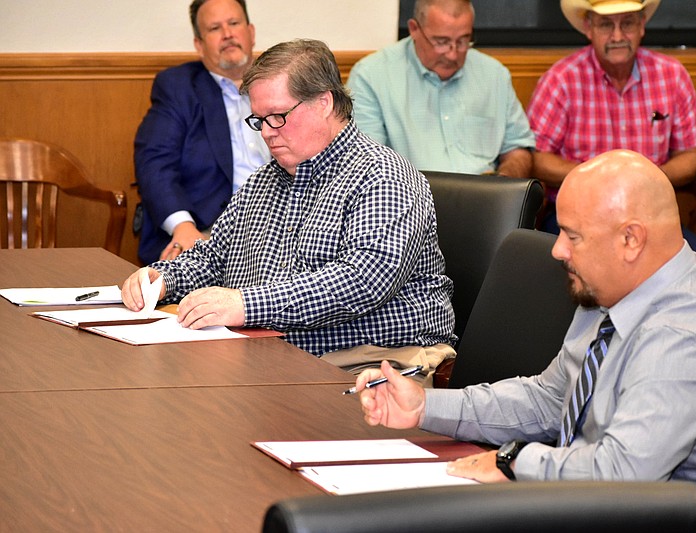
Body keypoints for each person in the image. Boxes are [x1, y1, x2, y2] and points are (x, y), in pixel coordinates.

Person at [356, 149, 696, 533]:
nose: (557, 250)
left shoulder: (686, 334)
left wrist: (512, 462)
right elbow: (548, 401)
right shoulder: (608, 291)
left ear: (630, 239)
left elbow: (623, 474)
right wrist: (426, 405)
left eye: (572, 235)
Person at [122, 39, 457, 382]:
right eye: (259, 120)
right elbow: (213, 258)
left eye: (278, 117)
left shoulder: (383, 176)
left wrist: (245, 305)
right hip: (273, 354)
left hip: (374, 363)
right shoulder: (265, 181)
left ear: (324, 103)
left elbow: (362, 282)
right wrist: (164, 279)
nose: (267, 132)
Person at [527, 0, 696, 275]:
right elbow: (537, 158)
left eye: (627, 23)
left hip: (651, 218)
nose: (617, 36)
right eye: (606, 24)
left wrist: (647, 178)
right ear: (588, 28)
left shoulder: (672, 75)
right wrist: (602, 179)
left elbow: (693, 153)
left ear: (642, 26)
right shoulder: (561, 79)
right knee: (606, 271)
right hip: (580, 219)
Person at [133, 0, 270, 265]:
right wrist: (182, 226)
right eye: (215, 28)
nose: (228, 34)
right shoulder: (178, 87)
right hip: (207, 233)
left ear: (251, 32)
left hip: (281, 228)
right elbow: (154, 163)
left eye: (234, 23)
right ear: (199, 44)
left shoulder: (280, 82)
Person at [346, 0, 535, 178]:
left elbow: (518, 148)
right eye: (441, 42)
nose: (453, 54)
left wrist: (503, 183)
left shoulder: (495, 75)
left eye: (463, 41)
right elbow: (366, 163)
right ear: (414, 29)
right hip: (410, 202)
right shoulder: (371, 76)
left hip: (487, 202)